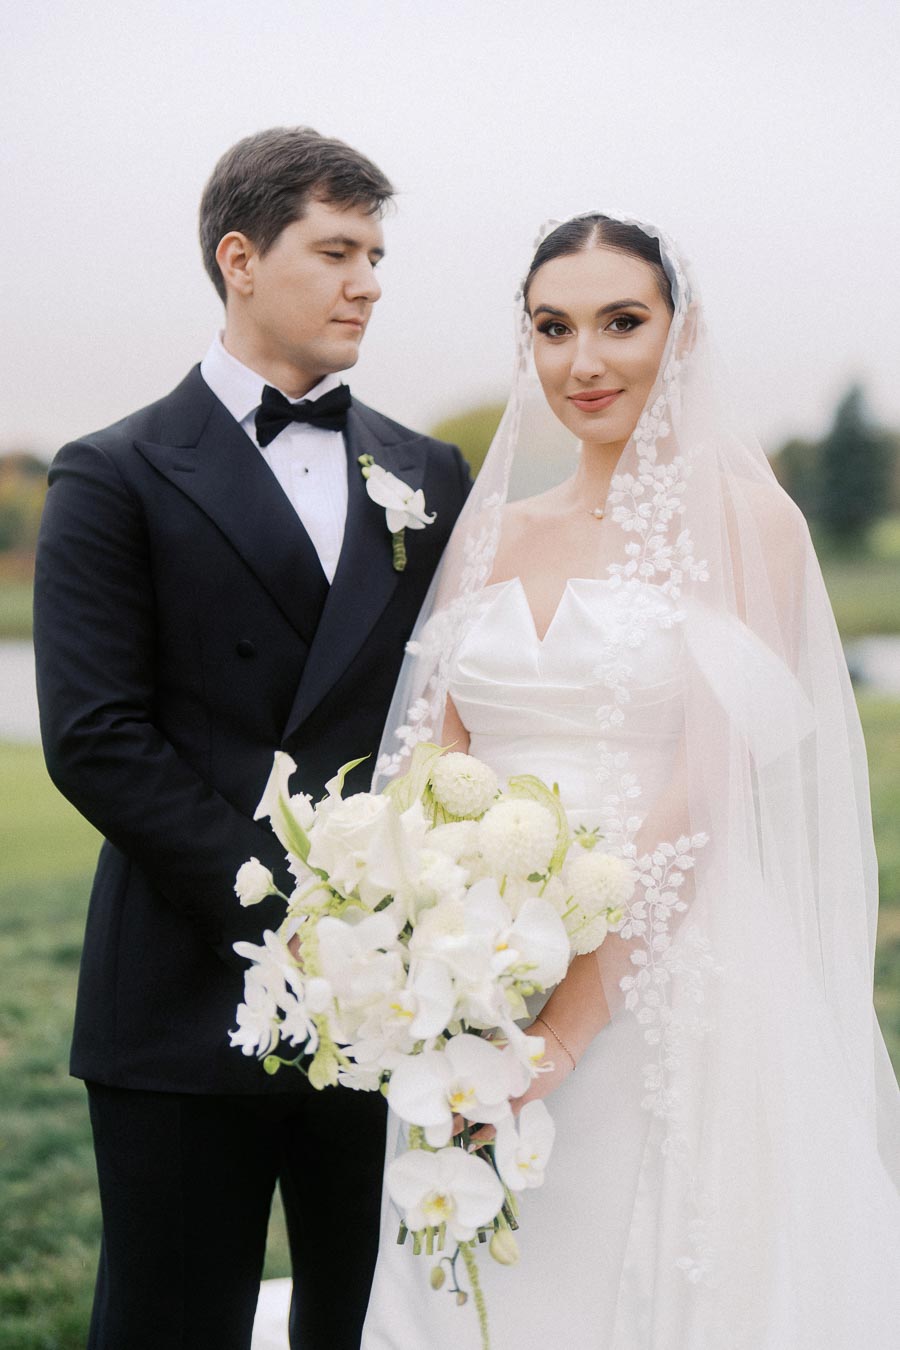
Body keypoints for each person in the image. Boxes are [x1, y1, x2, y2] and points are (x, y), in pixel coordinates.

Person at [362, 214, 900, 1347]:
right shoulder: (495, 531)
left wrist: (560, 1032)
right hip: (479, 984)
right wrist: (441, 953)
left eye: (621, 322)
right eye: (553, 328)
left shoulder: (746, 523)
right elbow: (432, 766)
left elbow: (707, 792)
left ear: (681, 333)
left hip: (667, 979)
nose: (584, 361)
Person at [32, 126, 470, 1350]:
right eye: (335, 252)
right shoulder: (112, 474)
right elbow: (95, 736)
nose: (366, 282)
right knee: (169, 1325)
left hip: (391, 1003)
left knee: (375, 1324)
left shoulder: (431, 473)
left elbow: (454, 709)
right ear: (239, 259)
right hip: (183, 991)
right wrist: (296, 904)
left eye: (376, 256)